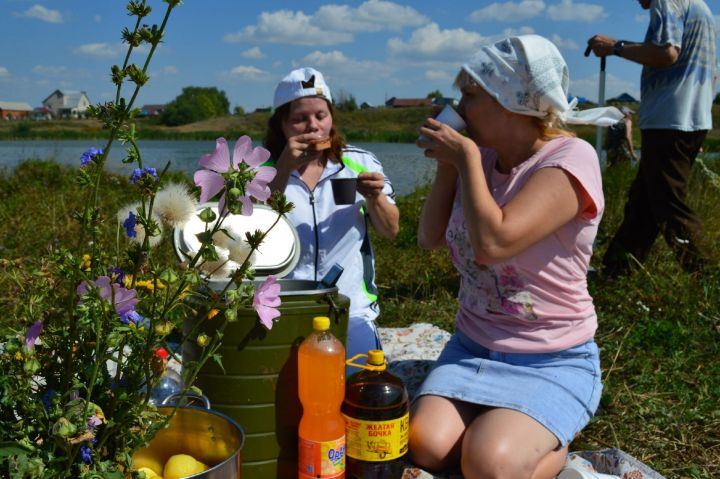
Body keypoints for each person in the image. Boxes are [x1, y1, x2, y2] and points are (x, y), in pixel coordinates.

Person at [409, 35, 623, 479]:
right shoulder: (482, 159)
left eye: (470, 94)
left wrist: (465, 156)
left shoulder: (571, 159)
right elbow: (428, 237)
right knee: (425, 445)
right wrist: (450, 165)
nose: (459, 106)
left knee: (489, 464)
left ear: (510, 101)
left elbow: (495, 244)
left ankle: (554, 440)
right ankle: (520, 433)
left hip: (550, 358)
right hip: (472, 347)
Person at [264, 67, 400, 369]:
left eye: (321, 116)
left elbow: (391, 230)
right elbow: (253, 228)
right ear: (282, 125)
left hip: (349, 307)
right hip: (285, 307)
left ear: (332, 118)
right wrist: (284, 168)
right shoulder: (262, 170)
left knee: (357, 394)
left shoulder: (358, 162)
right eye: (300, 118)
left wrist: (375, 197)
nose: (313, 126)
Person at [587, 0, 716, 277]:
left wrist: (616, 47)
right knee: (643, 201)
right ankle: (618, 269)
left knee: (669, 203)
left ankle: (706, 274)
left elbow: (667, 53)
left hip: (671, 116)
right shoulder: (697, 5)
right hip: (689, 115)